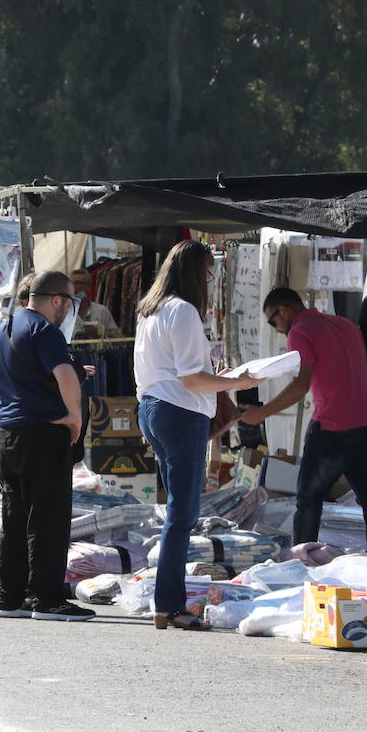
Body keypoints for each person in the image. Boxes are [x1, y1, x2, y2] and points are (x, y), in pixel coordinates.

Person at [135, 241, 262, 631]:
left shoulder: (150, 309)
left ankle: (167, 601)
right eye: (211, 272)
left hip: (153, 409)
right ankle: (169, 604)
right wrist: (236, 380)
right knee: (182, 513)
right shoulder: (184, 310)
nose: (213, 280)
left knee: (179, 509)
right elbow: (192, 378)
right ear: (198, 273)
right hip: (178, 411)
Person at [240, 287, 367, 553]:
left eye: (272, 321)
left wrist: (261, 413)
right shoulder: (345, 324)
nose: (275, 329)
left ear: (284, 310)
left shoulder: (300, 331)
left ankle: (302, 559)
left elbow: (300, 386)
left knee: (309, 498)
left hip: (332, 425)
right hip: (365, 420)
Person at [0, 269, 93, 621]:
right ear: (58, 300)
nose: (69, 311)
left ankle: (11, 595)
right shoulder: (44, 330)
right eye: (70, 301)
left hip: (9, 435)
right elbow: (64, 373)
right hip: (43, 434)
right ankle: (46, 598)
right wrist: (74, 415)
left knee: (15, 518)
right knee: (48, 519)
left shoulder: (5, 327)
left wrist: (14, 403)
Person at [72, 269, 118, 336]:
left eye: (77, 283)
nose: (73, 286)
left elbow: (116, 338)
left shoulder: (101, 311)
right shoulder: (63, 313)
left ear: (88, 286)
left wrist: (99, 333)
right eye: (71, 283)